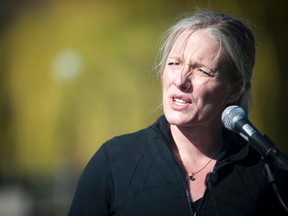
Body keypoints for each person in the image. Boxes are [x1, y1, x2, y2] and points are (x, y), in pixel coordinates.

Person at [67, 10, 288, 216]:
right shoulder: (114, 162)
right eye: (174, 63)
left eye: (201, 70)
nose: (180, 80)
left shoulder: (264, 172)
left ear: (235, 89)